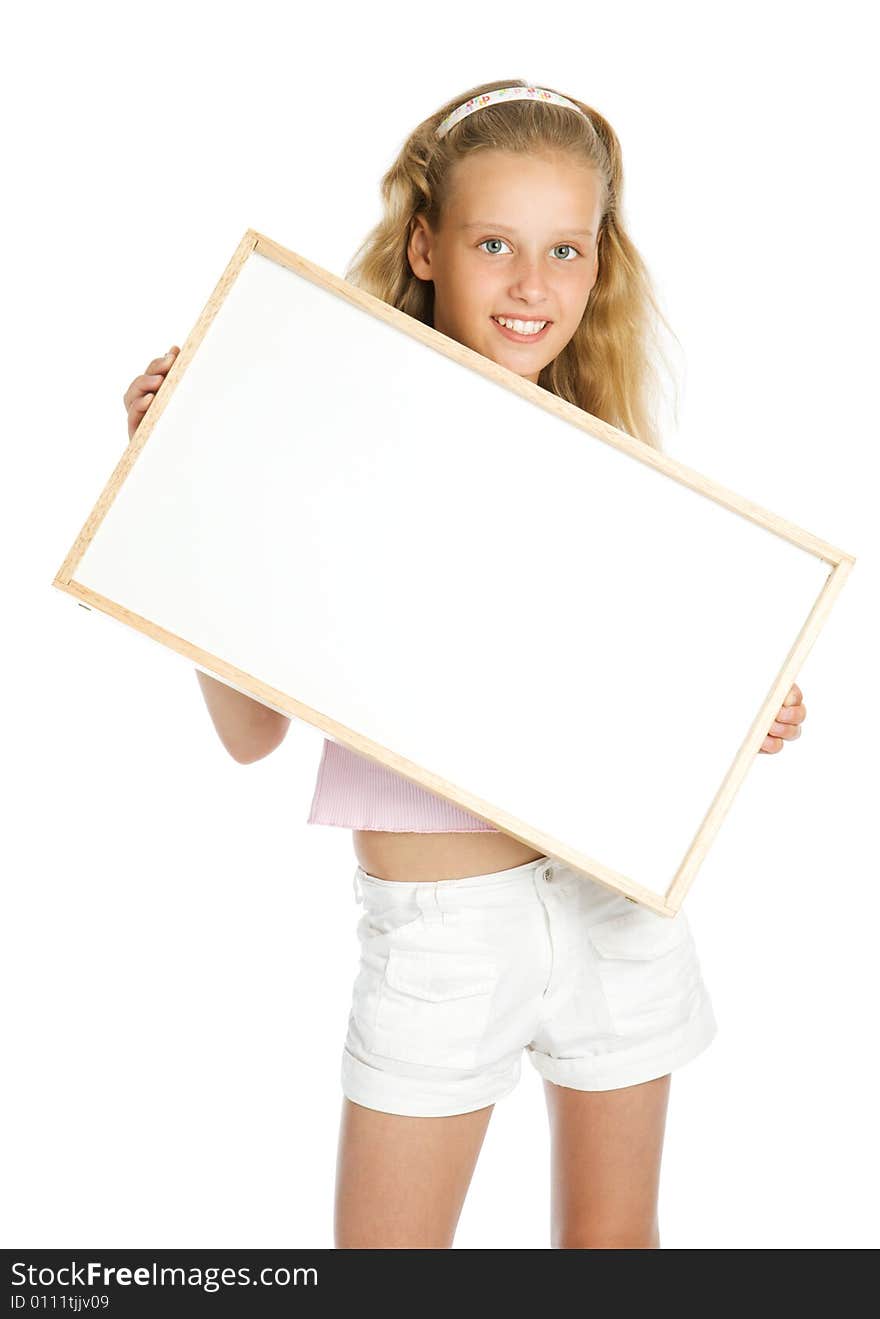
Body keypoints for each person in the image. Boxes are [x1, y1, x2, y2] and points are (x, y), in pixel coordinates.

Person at [122, 79, 807, 1249]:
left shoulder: (614, 472)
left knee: (612, 1249)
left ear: (599, 268)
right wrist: (179, 486)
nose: (531, 283)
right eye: (495, 243)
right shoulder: (321, 454)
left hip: (618, 911)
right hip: (442, 926)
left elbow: (647, 696)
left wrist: (745, 704)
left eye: (563, 249)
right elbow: (250, 735)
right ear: (427, 245)